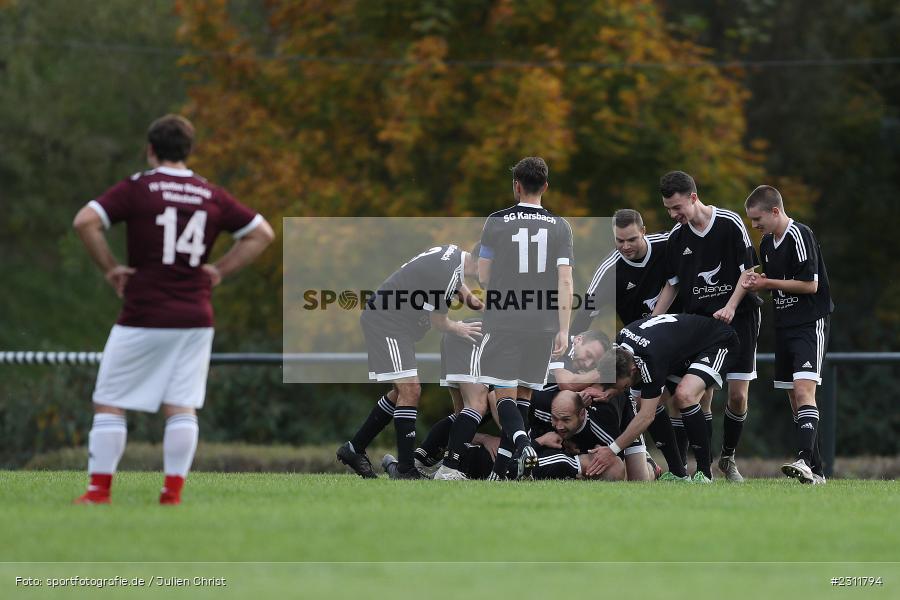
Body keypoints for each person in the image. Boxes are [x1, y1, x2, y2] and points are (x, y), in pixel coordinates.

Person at [72, 115, 275, 505]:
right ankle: (171, 493)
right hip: (196, 315)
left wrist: (111, 268)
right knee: (181, 403)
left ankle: (98, 492)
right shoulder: (209, 193)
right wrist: (218, 270)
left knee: (110, 399)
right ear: (189, 151)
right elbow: (261, 233)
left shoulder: (139, 188)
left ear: (150, 150)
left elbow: (86, 221)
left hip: (144, 311)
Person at [336, 244, 482, 479]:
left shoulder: (453, 256)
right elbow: (440, 322)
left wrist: (480, 306)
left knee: (401, 392)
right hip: (387, 323)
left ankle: (354, 449)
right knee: (411, 389)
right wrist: (460, 327)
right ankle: (405, 470)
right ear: (481, 260)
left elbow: (456, 283)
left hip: (393, 322)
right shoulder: (446, 273)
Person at [652, 171, 761, 482]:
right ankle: (701, 467)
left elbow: (748, 272)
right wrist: (653, 322)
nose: (673, 215)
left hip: (739, 318)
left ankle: (729, 458)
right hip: (701, 326)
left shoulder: (729, 222)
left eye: (677, 208)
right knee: (699, 395)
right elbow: (672, 285)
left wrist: (730, 306)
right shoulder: (677, 236)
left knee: (738, 396)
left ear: (693, 198)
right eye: (668, 209)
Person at [475, 157, 574, 479]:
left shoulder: (496, 221)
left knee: (503, 393)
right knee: (525, 395)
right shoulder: (560, 226)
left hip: (505, 319)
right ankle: (502, 473)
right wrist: (563, 330)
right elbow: (565, 281)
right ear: (545, 186)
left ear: (516, 186)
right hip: (543, 323)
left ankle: (522, 443)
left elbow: (483, 275)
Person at [571, 208, 686, 477]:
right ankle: (678, 472)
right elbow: (583, 317)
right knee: (650, 405)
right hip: (645, 350)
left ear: (644, 231)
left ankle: (711, 466)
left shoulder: (668, 244)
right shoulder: (610, 270)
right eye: (619, 241)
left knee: (687, 400)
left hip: (681, 338)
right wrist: (568, 349)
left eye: (631, 239)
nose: (625, 246)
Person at [742, 185, 834, 484]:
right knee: (795, 398)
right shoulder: (767, 243)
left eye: (758, 219)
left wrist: (767, 283)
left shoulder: (799, 234)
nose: (754, 225)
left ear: (775, 211)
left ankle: (805, 461)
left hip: (809, 323)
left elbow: (810, 285)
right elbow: (770, 281)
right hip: (784, 325)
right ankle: (817, 472)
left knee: (805, 391)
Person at [432, 329, 610, 481]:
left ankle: (423, 460)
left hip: (500, 365)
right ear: (578, 340)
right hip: (478, 348)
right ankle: (444, 466)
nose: (587, 364)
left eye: (593, 363)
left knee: (474, 412)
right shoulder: (560, 342)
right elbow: (567, 383)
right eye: (588, 355)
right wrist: (604, 371)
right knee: (477, 406)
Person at [585, 314, 740, 483]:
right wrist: (610, 391)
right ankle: (678, 473)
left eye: (623, 386)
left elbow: (646, 416)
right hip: (680, 351)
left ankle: (705, 473)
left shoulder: (648, 359)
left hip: (718, 341)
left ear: (633, 371)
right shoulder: (619, 346)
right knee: (640, 402)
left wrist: (612, 450)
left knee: (685, 395)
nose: (622, 390)